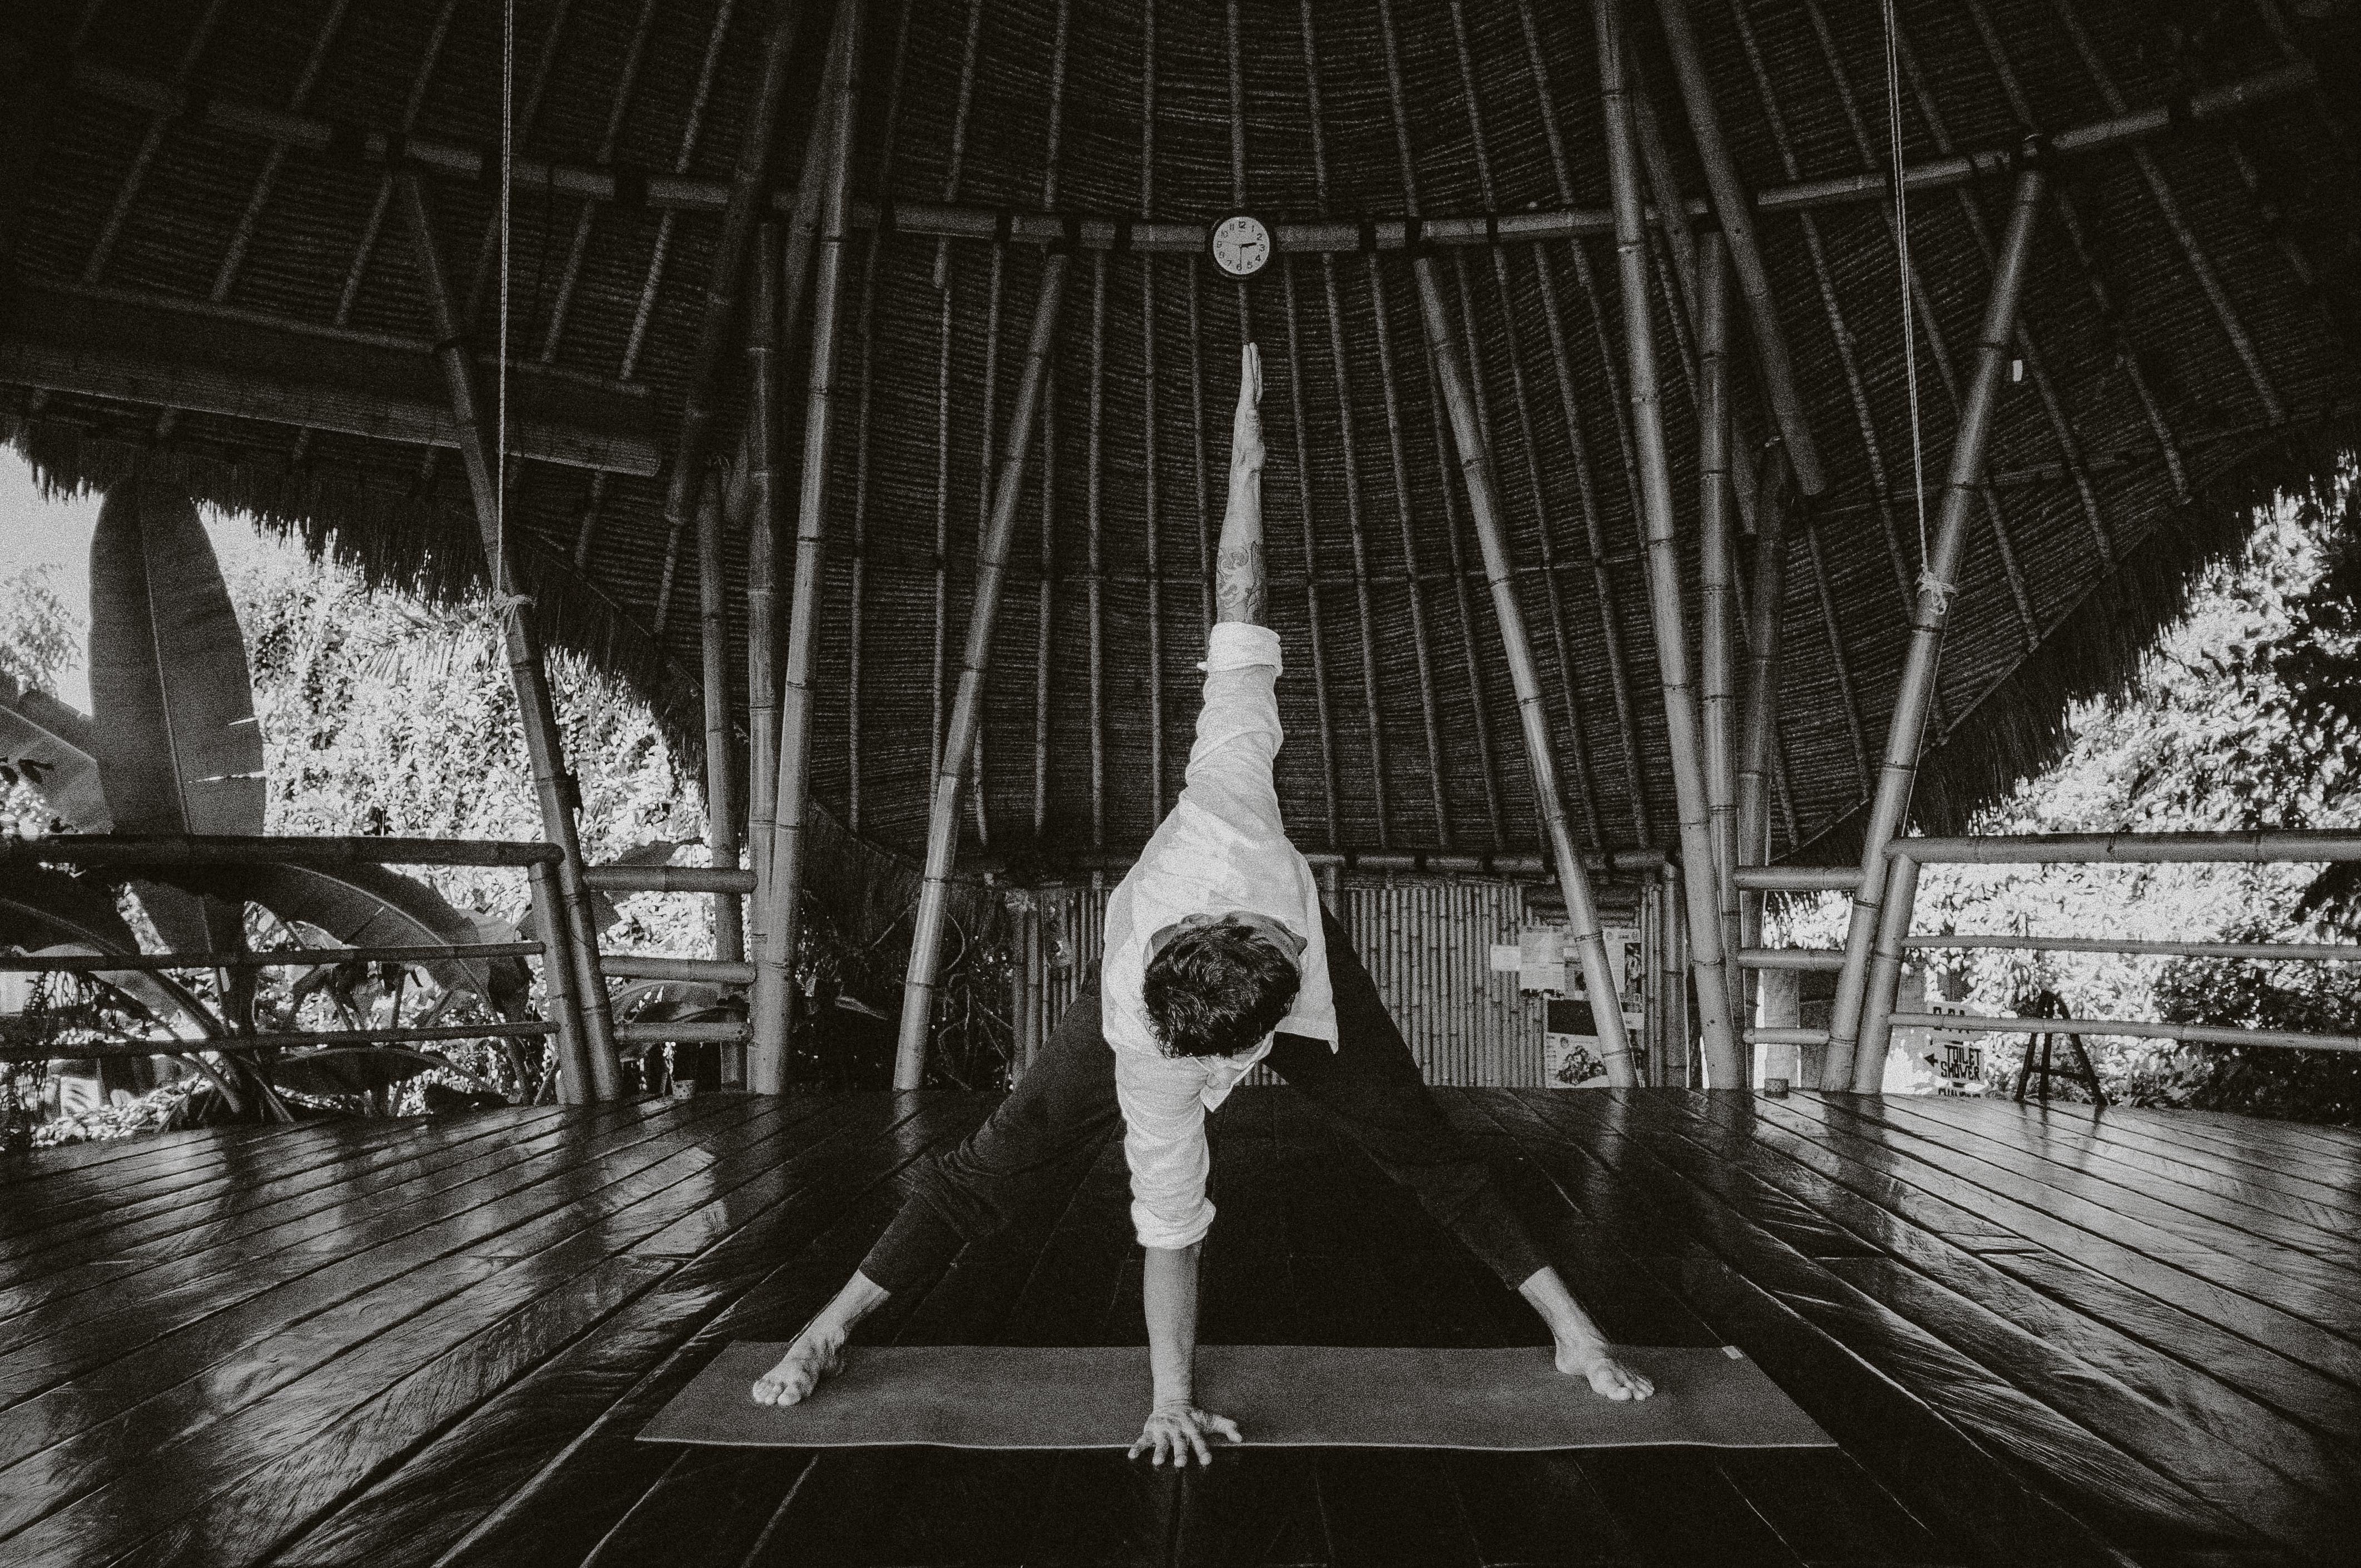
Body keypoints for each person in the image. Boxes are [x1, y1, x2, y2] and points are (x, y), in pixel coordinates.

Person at [750, 342, 1654, 1465]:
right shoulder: (1149, 1055)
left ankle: (1570, 1331)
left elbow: (1238, 589)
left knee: (1422, 1146)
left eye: (1275, 936)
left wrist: (1245, 463)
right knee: (1000, 1158)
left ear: (1244, 939)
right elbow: (1170, 1232)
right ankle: (829, 1328)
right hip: (1162, 1014)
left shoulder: (1230, 812)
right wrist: (1165, 1399)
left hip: (1288, 977)